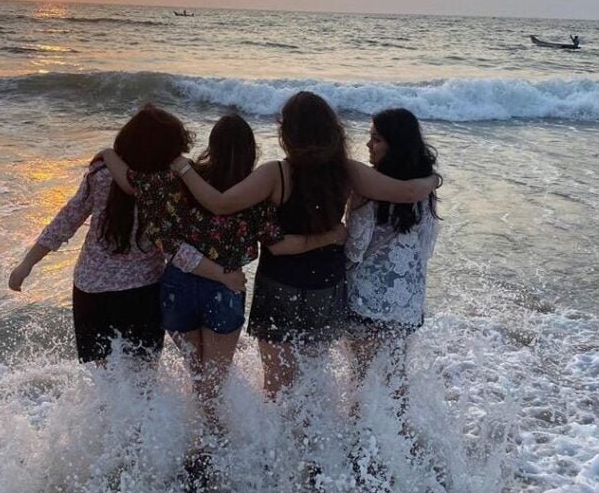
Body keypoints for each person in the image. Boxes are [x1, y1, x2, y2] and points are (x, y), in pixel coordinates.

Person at [170, 92, 441, 397]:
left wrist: (183, 168)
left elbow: (220, 204)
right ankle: (313, 442)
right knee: (312, 382)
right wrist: (433, 181)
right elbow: (405, 192)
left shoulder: (277, 173)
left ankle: (276, 444)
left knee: (276, 384)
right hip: (326, 286)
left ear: (288, 132)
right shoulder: (346, 170)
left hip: (280, 285)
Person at [99, 114, 344, 419]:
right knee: (213, 383)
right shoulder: (254, 194)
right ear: (250, 151)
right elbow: (279, 245)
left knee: (197, 375)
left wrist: (108, 154)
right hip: (225, 286)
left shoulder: (180, 180)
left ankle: (192, 442)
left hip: (178, 284)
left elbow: (131, 181)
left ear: (212, 146)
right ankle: (211, 445)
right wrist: (329, 236)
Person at [8, 105, 241, 365]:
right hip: (141, 294)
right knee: (142, 385)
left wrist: (27, 264)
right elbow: (175, 249)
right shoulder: (166, 186)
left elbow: (65, 222)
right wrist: (221, 274)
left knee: (107, 382)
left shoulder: (101, 175)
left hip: (91, 292)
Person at [344, 108, 441, 408]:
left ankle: (360, 449)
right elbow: (426, 246)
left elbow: (355, 249)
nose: (368, 145)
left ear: (394, 144)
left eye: (376, 139)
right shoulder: (424, 189)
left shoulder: (368, 190)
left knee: (361, 378)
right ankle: (400, 445)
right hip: (406, 300)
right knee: (396, 378)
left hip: (367, 298)